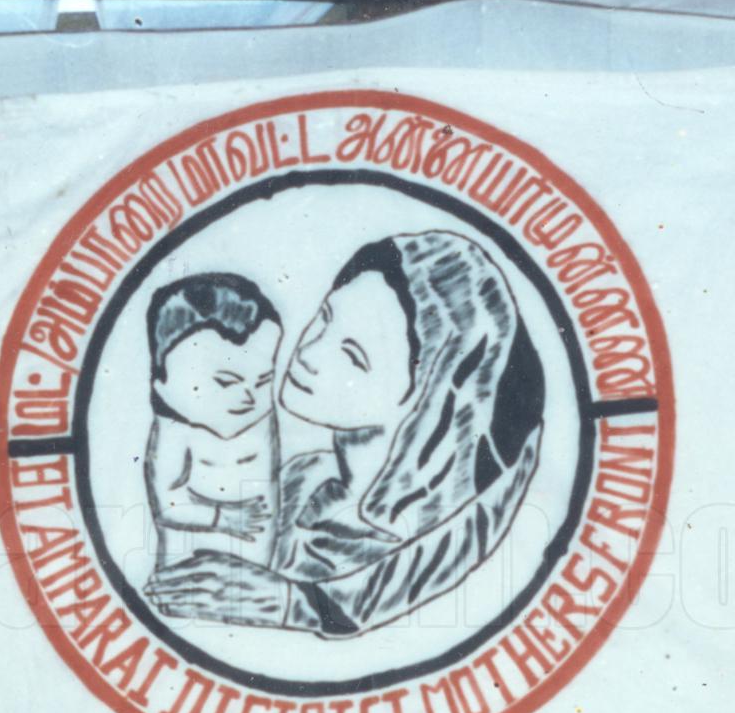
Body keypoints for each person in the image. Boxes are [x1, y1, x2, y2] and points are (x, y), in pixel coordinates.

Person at [148, 233, 545, 639]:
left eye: (353, 355)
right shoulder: (301, 479)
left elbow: (394, 590)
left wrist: (293, 605)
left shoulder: (434, 530)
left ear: (428, 394)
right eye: (324, 318)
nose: (307, 353)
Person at [143, 273, 283, 568]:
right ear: (163, 385)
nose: (249, 397)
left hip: (258, 566)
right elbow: (167, 505)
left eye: (263, 381)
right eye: (225, 382)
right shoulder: (175, 432)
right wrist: (222, 519)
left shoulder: (263, 422)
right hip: (189, 567)